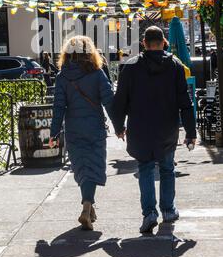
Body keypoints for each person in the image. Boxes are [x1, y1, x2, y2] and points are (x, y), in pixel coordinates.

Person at [111, 26, 197, 234]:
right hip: (167, 128)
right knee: (167, 169)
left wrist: (119, 126)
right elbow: (185, 103)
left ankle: (149, 213)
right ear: (163, 42)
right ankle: (168, 210)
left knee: (146, 169)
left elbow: (119, 102)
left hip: (140, 129)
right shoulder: (176, 66)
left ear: (144, 43)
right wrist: (191, 133)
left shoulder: (130, 68)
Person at [50, 36, 114, 231]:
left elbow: (58, 106)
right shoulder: (97, 73)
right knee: (93, 165)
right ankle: (87, 207)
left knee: (81, 167)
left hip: (73, 129)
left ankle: (89, 206)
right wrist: (119, 126)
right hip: (94, 127)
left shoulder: (62, 77)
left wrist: (53, 133)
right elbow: (109, 101)